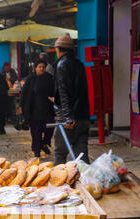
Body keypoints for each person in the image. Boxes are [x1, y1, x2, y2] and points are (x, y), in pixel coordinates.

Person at [53, 33, 90, 165]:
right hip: (83, 116)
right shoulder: (79, 64)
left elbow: (64, 92)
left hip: (69, 119)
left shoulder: (62, 65)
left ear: (59, 50)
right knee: (81, 155)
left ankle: (59, 183)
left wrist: (68, 117)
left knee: (59, 153)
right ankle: (86, 182)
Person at [21, 59, 55, 158]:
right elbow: (24, 93)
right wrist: (22, 106)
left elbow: (54, 91)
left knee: (49, 127)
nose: (41, 69)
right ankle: (37, 151)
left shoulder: (49, 78)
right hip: (34, 109)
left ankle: (44, 143)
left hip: (47, 108)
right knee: (36, 131)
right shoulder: (30, 78)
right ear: (35, 68)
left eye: (43, 67)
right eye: (39, 67)